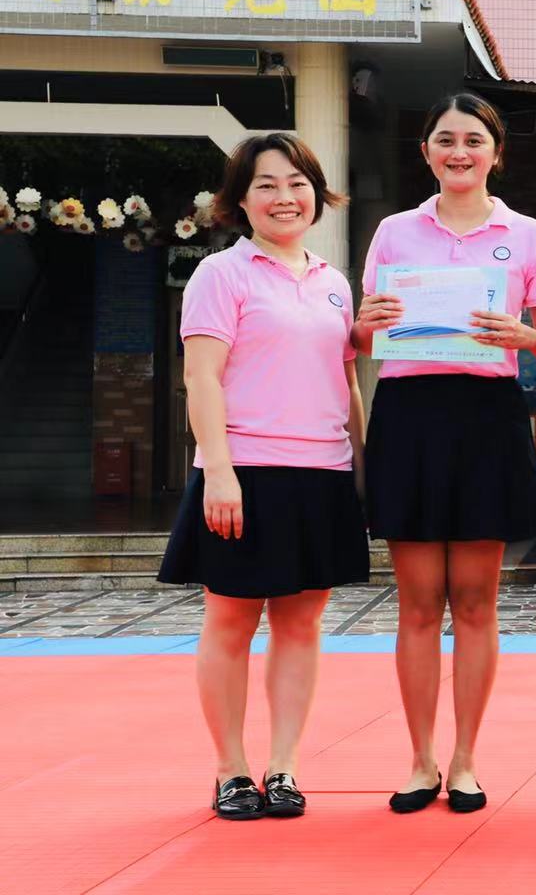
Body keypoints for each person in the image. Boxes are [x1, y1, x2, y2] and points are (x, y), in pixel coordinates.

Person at [353, 94, 536, 814]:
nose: (460, 152)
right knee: (417, 604)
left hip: (487, 417)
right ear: (426, 152)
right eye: (445, 140)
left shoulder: (528, 235)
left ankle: (466, 760)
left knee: (476, 601)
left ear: (496, 153)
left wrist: (524, 337)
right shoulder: (394, 232)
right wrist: (366, 323)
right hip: (409, 415)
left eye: (474, 140)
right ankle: (419, 761)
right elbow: (363, 337)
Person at [158, 132, 370, 820]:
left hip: (322, 473)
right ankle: (231, 770)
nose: (286, 197)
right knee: (230, 620)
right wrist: (218, 471)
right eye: (268, 185)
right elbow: (201, 377)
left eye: (298, 183)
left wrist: (363, 466)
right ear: (241, 201)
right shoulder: (222, 274)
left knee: (301, 626)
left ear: (317, 194)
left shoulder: (334, 282)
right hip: (245, 471)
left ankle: (283, 769)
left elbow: (346, 383)